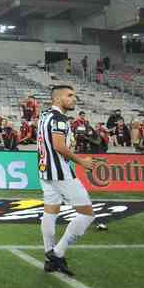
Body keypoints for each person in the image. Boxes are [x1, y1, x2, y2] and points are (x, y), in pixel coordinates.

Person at [38, 85, 97, 277]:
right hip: (61, 173)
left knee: (50, 212)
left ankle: (49, 260)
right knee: (87, 214)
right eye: (69, 96)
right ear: (57, 99)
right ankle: (57, 253)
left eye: (74, 96)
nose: (73, 99)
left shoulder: (44, 116)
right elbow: (59, 146)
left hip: (45, 171)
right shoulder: (60, 119)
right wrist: (82, 162)